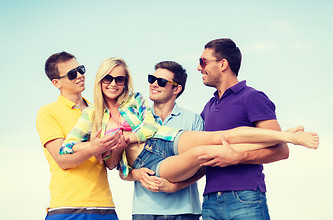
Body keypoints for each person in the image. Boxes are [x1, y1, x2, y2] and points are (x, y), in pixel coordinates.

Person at [59, 57, 319, 187]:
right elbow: (72, 151)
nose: (114, 84)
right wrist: (101, 148)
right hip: (149, 162)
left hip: (165, 138)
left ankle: (287, 136)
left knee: (220, 136)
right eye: (108, 79)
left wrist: (127, 137)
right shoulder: (89, 117)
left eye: (120, 79)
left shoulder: (135, 99)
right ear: (99, 81)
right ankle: (284, 137)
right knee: (203, 154)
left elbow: (149, 126)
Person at [197, 38, 308, 220]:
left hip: (245, 198)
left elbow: (282, 150)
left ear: (223, 64)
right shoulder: (208, 107)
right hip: (210, 203)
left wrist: (237, 157)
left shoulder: (252, 97)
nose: (199, 68)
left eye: (203, 61)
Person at [36, 51, 122, 220]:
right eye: (72, 74)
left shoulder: (100, 111)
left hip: (104, 209)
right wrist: (95, 147)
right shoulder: (48, 113)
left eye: (80, 69)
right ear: (56, 83)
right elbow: (62, 160)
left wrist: (118, 144)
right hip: (65, 210)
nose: (80, 75)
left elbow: (110, 164)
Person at [128, 61, 205, 220]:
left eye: (161, 81)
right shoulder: (136, 118)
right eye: (152, 79)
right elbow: (122, 168)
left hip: (185, 213)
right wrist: (137, 173)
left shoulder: (193, 120)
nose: (154, 84)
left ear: (176, 89)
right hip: (144, 212)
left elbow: (203, 165)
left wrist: (174, 186)